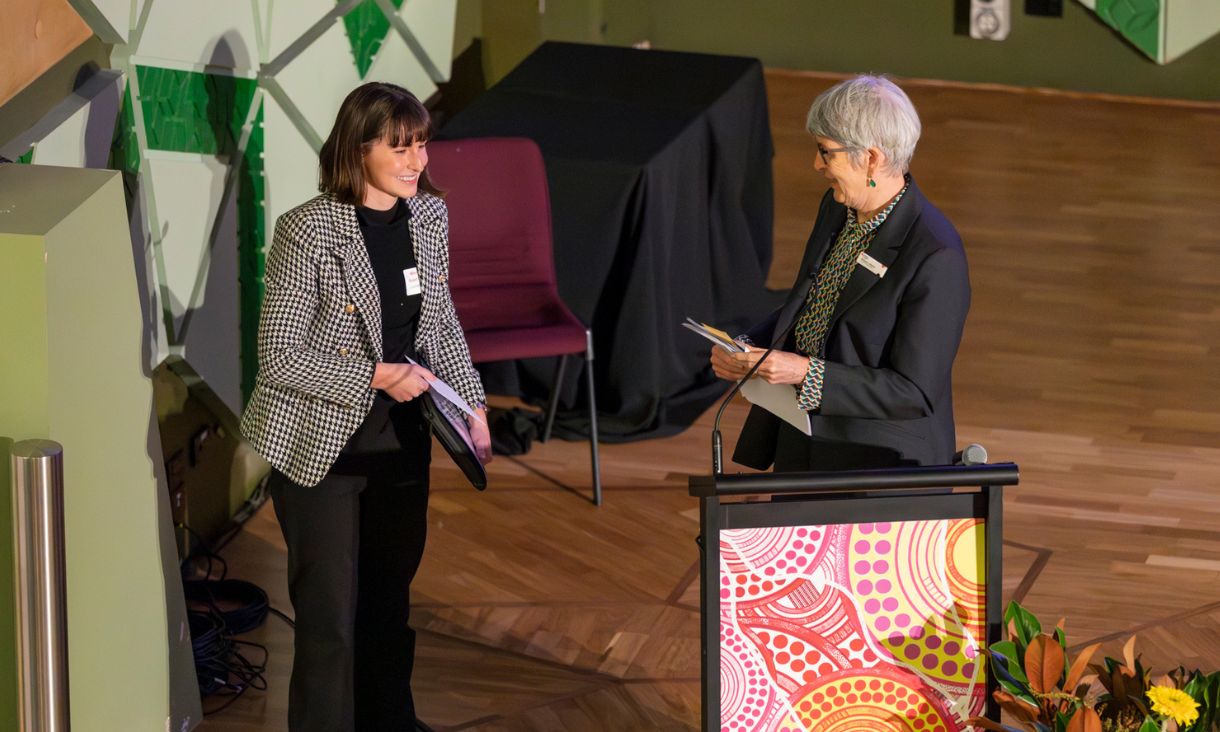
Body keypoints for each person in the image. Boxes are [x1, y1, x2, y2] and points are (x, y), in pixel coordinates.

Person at [239, 81, 492, 731]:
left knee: (388, 609)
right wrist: (377, 376)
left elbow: (441, 323)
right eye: (400, 148)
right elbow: (281, 358)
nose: (417, 162)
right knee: (330, 627)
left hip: (402, 449)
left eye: (423, 146)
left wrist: (472, 402)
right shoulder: (308, 230)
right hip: (324, 454)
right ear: (358, 149)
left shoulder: (429, 218)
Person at [711, 75, 970, 472]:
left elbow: (914, 391)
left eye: (825, 152)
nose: (816, 164)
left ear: (871, 158)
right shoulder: (837, 208)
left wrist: (802, 372)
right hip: (804, 434)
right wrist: (747, 348)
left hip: (876, 464)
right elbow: (812, 304)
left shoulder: (937, 255)